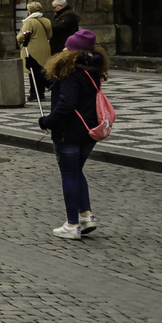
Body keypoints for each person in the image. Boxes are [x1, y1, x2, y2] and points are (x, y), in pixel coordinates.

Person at [38, 29, 108, 239]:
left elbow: (66, 104)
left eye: (67, 46)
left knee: (69, 175)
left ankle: (72, 225)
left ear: (72, 50)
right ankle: (86, 216)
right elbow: (62, 88)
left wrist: (47, 121)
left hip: (69, 131)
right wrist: (38, 69)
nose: (63, 49)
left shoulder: (70, 71)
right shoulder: (92, 68)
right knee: (76, 171)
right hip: (90, 130)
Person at [17, 1, 53, 101]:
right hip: (44, 47)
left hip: (32, 49)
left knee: (32, 70)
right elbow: (50, 35)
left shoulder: (29, 21)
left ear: (30, 11)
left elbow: (22, 36)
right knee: (41, 70)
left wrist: (18, 37)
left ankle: (35, 93)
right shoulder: (46, 20)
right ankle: (40, 91)